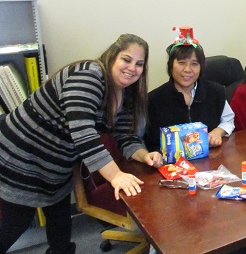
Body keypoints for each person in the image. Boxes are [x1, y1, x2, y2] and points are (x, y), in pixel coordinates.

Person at [0, 34, 163, 254]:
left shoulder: (126, 93)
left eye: (139, 64)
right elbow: (83, 132)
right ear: (112, 56)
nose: (132, 68)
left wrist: (144, 155)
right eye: (126, 59)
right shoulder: (89, 75)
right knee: (15, 222)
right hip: (22, 156)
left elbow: (126, 137)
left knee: (59, 221)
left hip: (56, 166)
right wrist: (115, 176)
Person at [144, 26, 234, 152]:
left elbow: (228, 120)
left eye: (194, 64)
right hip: (169, 165)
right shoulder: (152, 100)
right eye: (181, 63)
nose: (187, 70)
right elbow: (145, 141)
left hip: (209, 160)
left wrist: (218, 132)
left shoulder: (216, 91)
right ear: (170, 65)